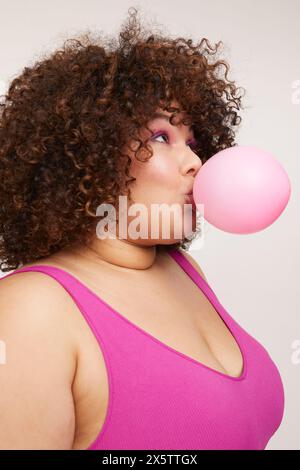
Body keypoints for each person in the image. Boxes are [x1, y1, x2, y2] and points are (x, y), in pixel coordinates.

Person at [0, 7, 284, 450]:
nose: (196, 162)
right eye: (160, 137)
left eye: (192, 142)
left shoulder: (183, 270)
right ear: (88, 151)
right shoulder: (29, 309)